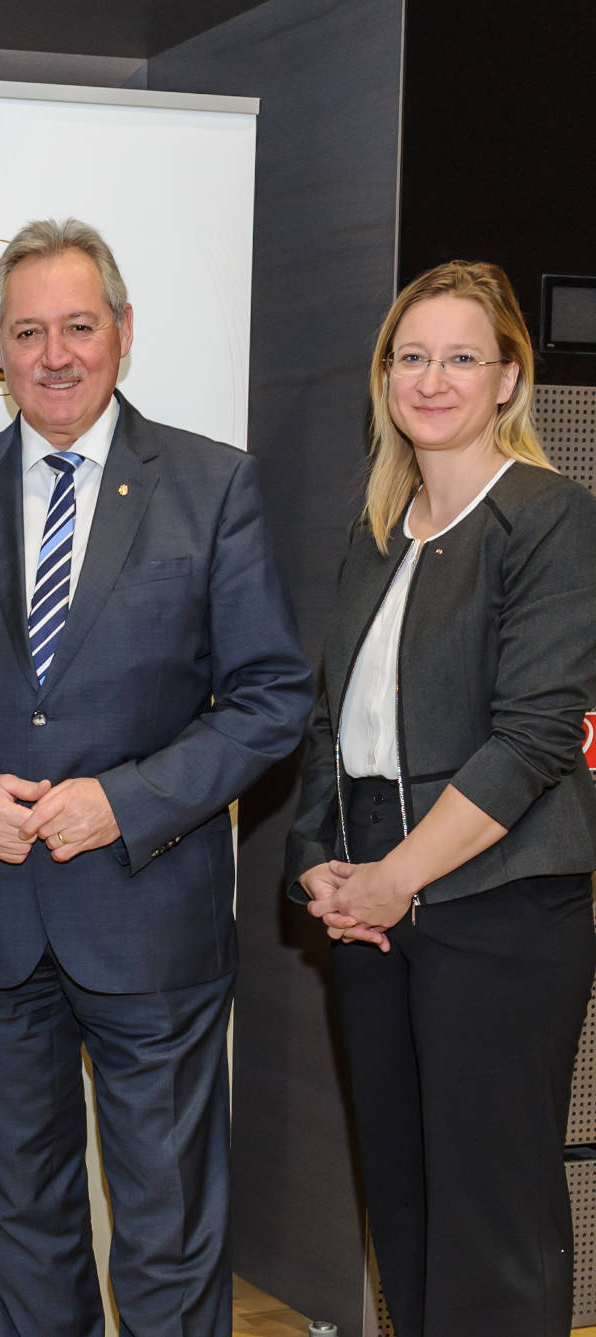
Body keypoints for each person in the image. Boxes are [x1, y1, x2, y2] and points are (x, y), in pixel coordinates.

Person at [0, 217, 312, 1336]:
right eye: (28, 331)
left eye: (79, 326)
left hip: (152, 924)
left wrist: (123, 803)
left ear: (123, 331)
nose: (55, 354)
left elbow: (272, 696)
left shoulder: (212, 485)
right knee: (23, 1234)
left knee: (170, 1238)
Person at [287, 261, 596, 1336]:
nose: (432, 378)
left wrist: (397, 877)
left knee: (491, 1214)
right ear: (386, 376)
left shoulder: (550, 518)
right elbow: (331, 720)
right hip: (375, 890)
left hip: (498, 896)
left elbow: (535, 737)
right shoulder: (379, 530)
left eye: (462, 357)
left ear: (508, 377)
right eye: (411, 356)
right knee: (405, 1197)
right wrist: (320, 862)